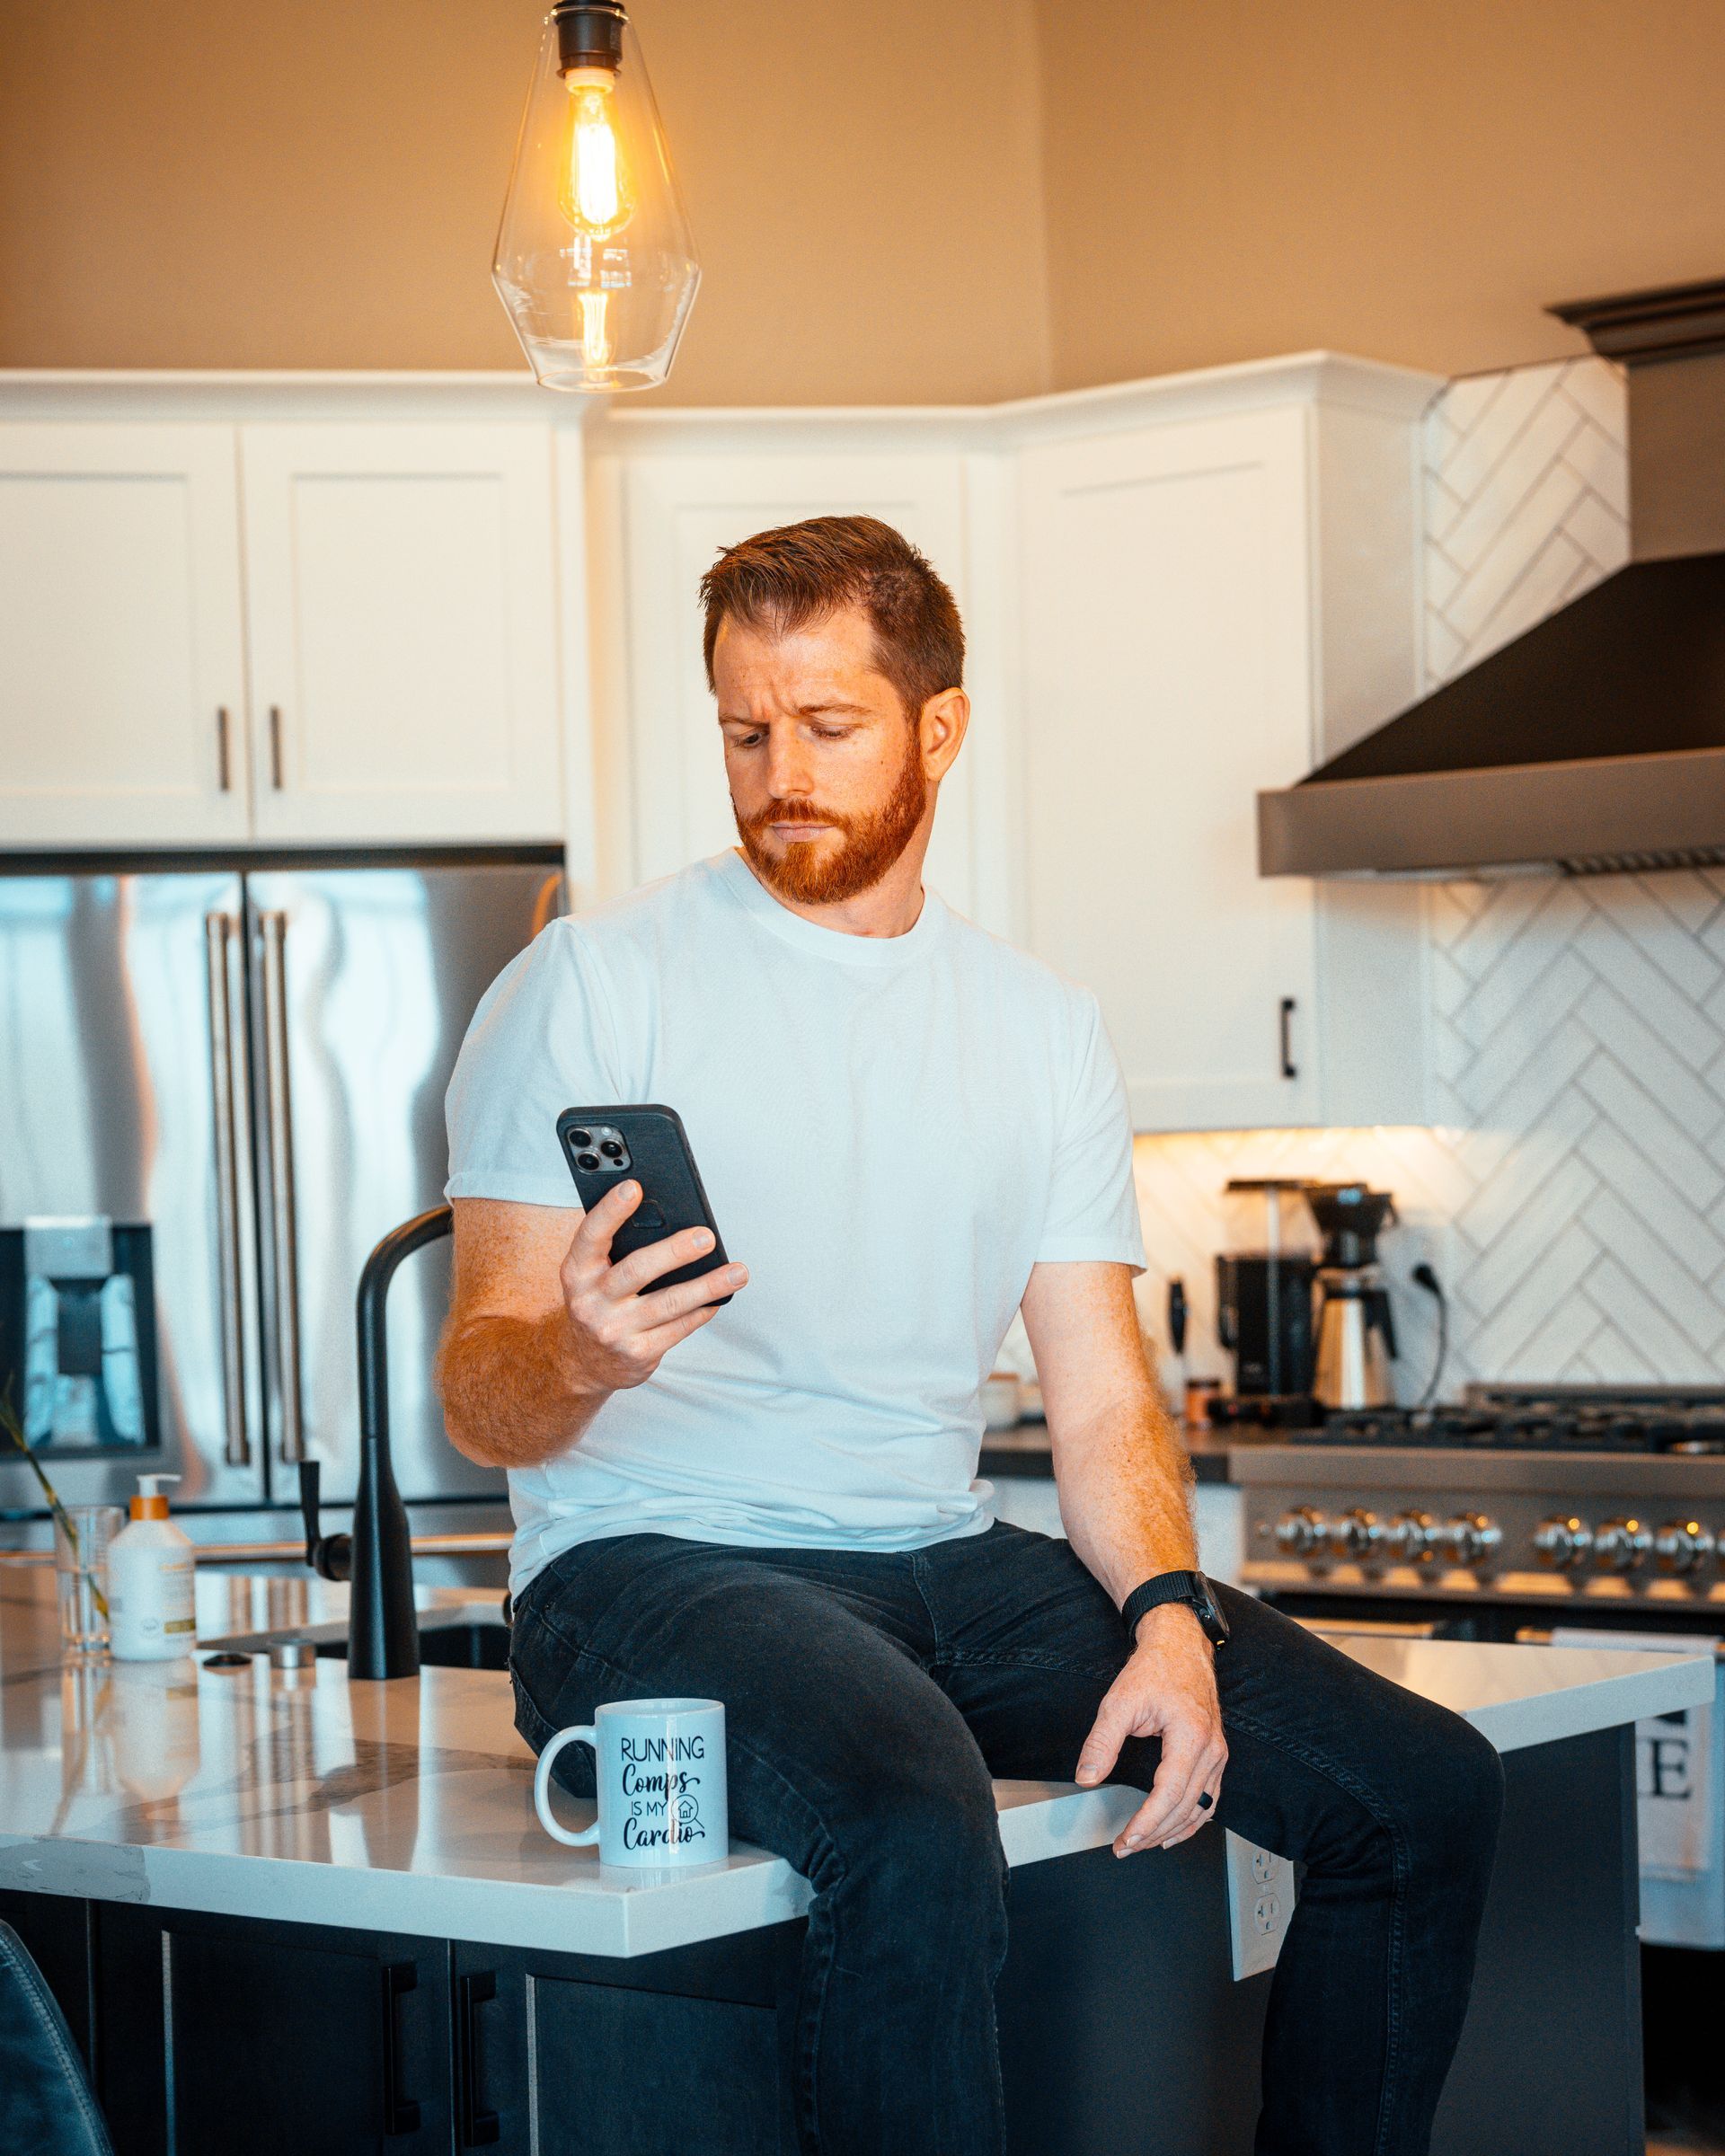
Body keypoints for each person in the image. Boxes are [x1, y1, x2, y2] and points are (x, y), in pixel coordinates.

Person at [436, 514, 1504, 2156]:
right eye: (743, 729)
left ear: (938, 728)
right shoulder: (589, 983)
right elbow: (482, 1398)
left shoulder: (1037, 1027)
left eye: (828, 726)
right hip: (647, 1564)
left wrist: (1163, 1615)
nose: (779, 769)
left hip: (938, 1559)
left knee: (1421, 1793)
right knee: (912, 1814)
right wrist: (577, 1354)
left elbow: (1097, 1398)